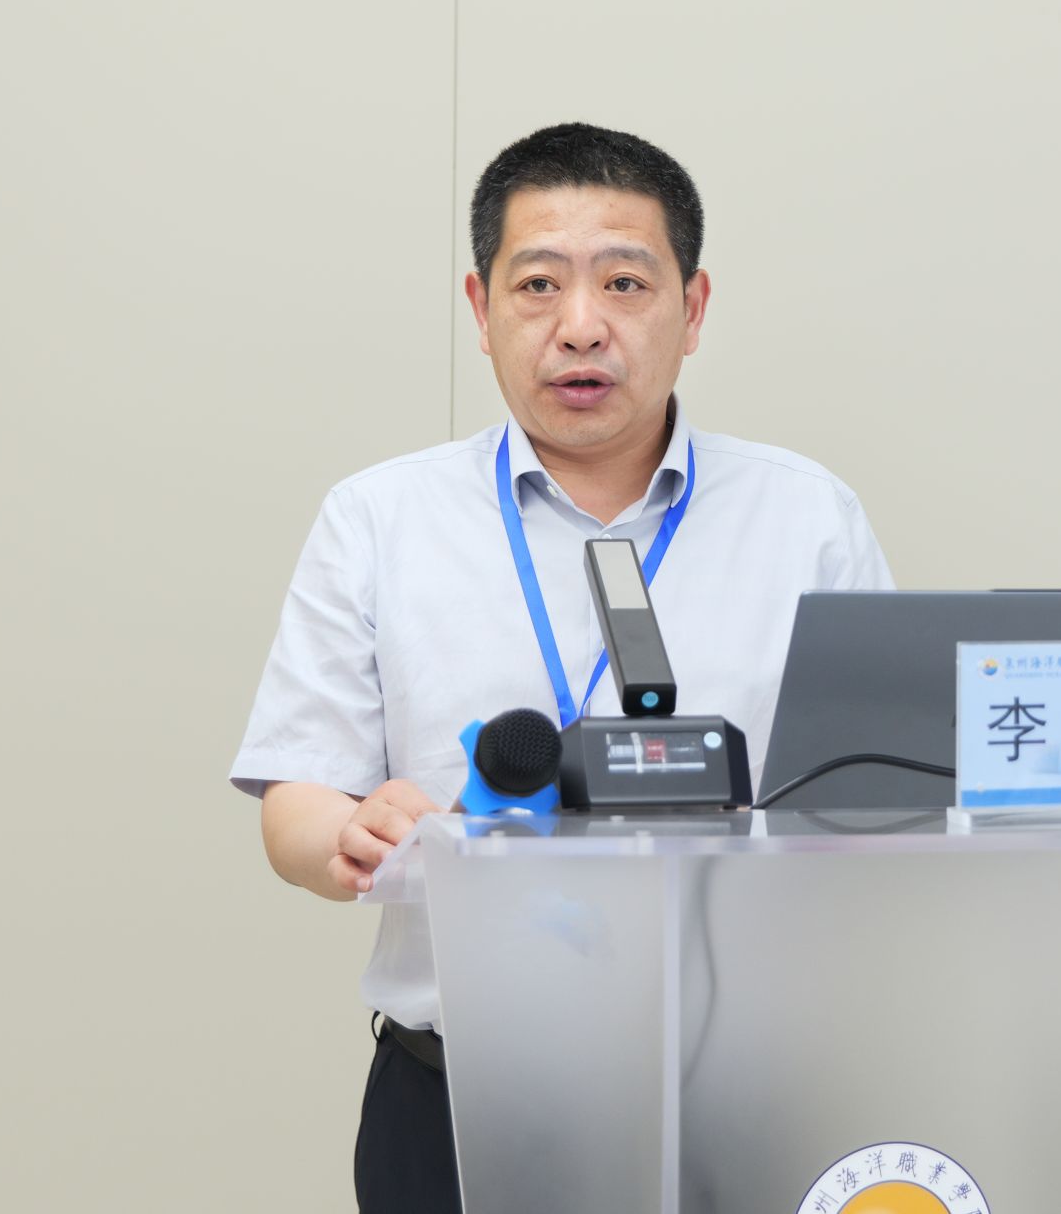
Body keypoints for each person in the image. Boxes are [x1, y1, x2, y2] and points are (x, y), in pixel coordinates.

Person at [229, 122, 894, 1211]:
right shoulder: (379, 520)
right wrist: (345, 833)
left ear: (694, 308)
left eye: (624, 282)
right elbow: (294, 800)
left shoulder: (806, 520)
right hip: (452, 1101)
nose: (580, 325)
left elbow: (886, 806)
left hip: (740, 1094)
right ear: (480, 308)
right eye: (537, 284)